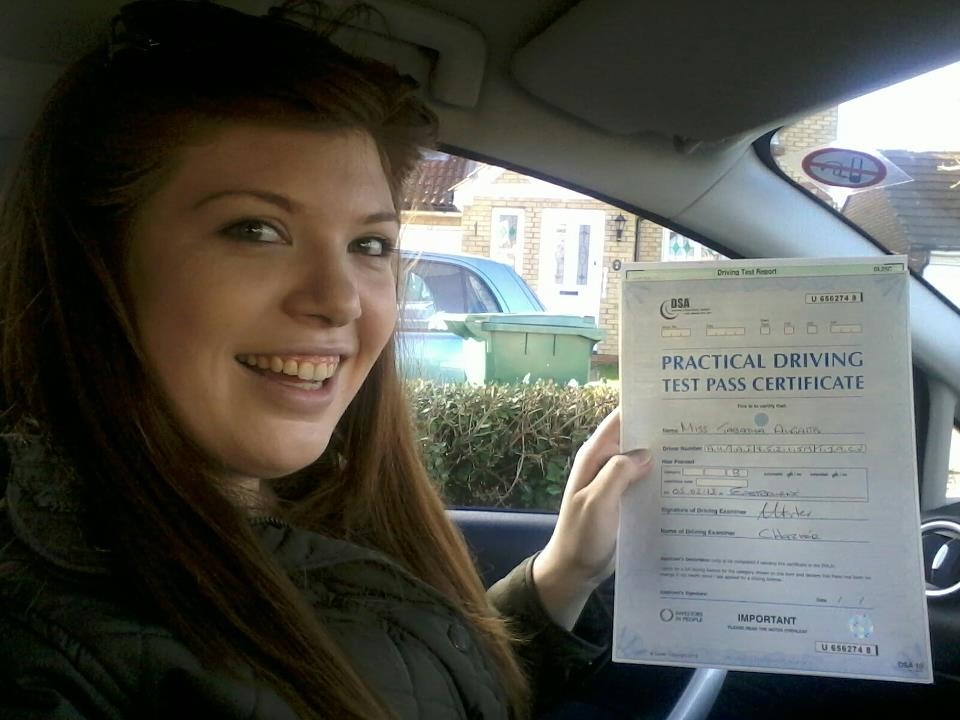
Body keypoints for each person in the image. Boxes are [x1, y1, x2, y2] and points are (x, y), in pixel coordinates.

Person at [0, 2, 651, 718]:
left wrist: (565, 572)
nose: (339, 300)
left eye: (369, 245)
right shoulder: (43, 649)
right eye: (257, 230)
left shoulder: (313, 513)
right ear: (95, 267)